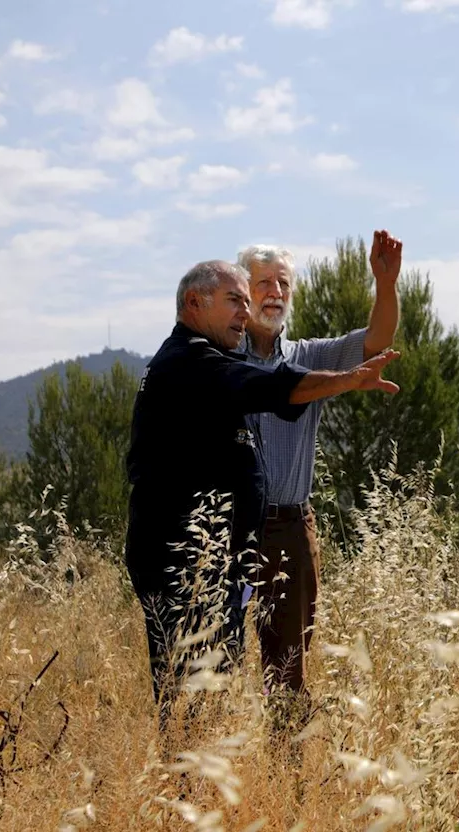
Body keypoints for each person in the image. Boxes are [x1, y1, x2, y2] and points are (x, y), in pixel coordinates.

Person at [124, 259, 400, 722]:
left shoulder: (204, 356)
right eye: (237, 299)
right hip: (188, 561)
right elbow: (267, 387)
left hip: (224, 555)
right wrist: (350, 380)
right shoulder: (194, 361)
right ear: (195, 303)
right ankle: (188, 786)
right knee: (194, 688)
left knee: (223, 680)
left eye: (248, 302)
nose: (246, 309)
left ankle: (206, 781)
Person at [234, 230, 402, 698]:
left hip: (289, 529)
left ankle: (285, 764)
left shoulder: (309, 358)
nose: (276, 293)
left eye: (283, 284)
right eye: (264, 282)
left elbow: (376, 341)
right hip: (227, 528)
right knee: (213, 654)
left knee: (288, 665)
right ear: (241, 292)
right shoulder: (220, 360)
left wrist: (385, 286)